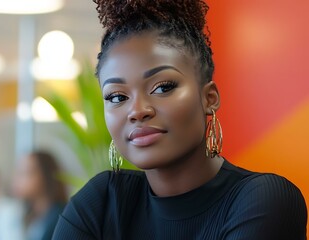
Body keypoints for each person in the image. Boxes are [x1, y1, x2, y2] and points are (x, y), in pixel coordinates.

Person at [52, 0, 308, 239]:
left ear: (209, 98)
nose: (137, 111)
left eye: (163, 87)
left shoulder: (265, 200)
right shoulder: (101, 203)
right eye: (117, 97)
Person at [12, 150, 68, 240]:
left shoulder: (61, 217)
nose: (16, 180)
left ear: (45, 176)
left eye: (25, 173)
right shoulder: (32, 215)